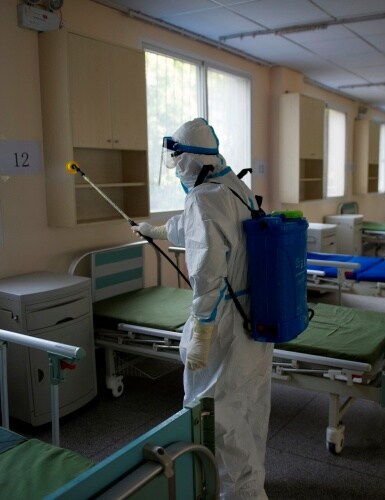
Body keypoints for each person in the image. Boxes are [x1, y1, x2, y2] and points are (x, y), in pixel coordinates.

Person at [133, 118, 272, 499]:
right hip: (254, 314)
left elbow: (208, 272)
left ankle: (237, 492)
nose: (177, 170)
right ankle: (252, 480)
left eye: (178, 162)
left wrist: (203, 330)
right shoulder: (236, 188)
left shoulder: (203, 197)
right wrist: (158, 231)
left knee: (213, 410)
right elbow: (202, 229)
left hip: (226, 322)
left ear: (192, 160)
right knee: (249, 401)